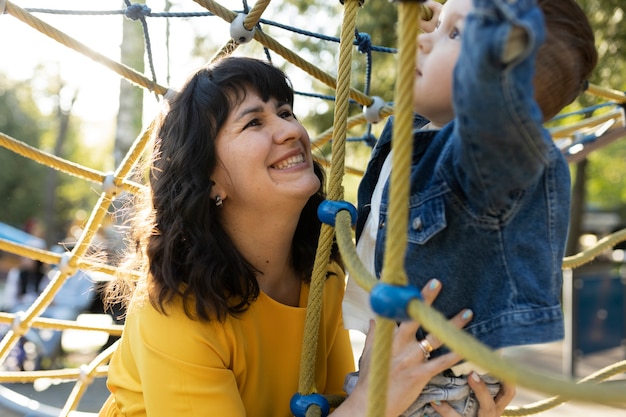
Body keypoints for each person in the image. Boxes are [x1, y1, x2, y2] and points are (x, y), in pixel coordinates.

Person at [97, 56, 509, 417]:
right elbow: (364, 407)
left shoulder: (323, 273)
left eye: (286, 112)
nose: (290, 131)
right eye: (254, 122)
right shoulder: (176, 311)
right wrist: (375, 401)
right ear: (207, 179)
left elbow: (335, 405)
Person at [342, 0, 597, 415]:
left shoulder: (487, 161)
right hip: (401, 370)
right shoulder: (421, 133)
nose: (423, 40)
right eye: (440, 27)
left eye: (455, 33)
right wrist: (436, 24)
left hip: (435, 389)